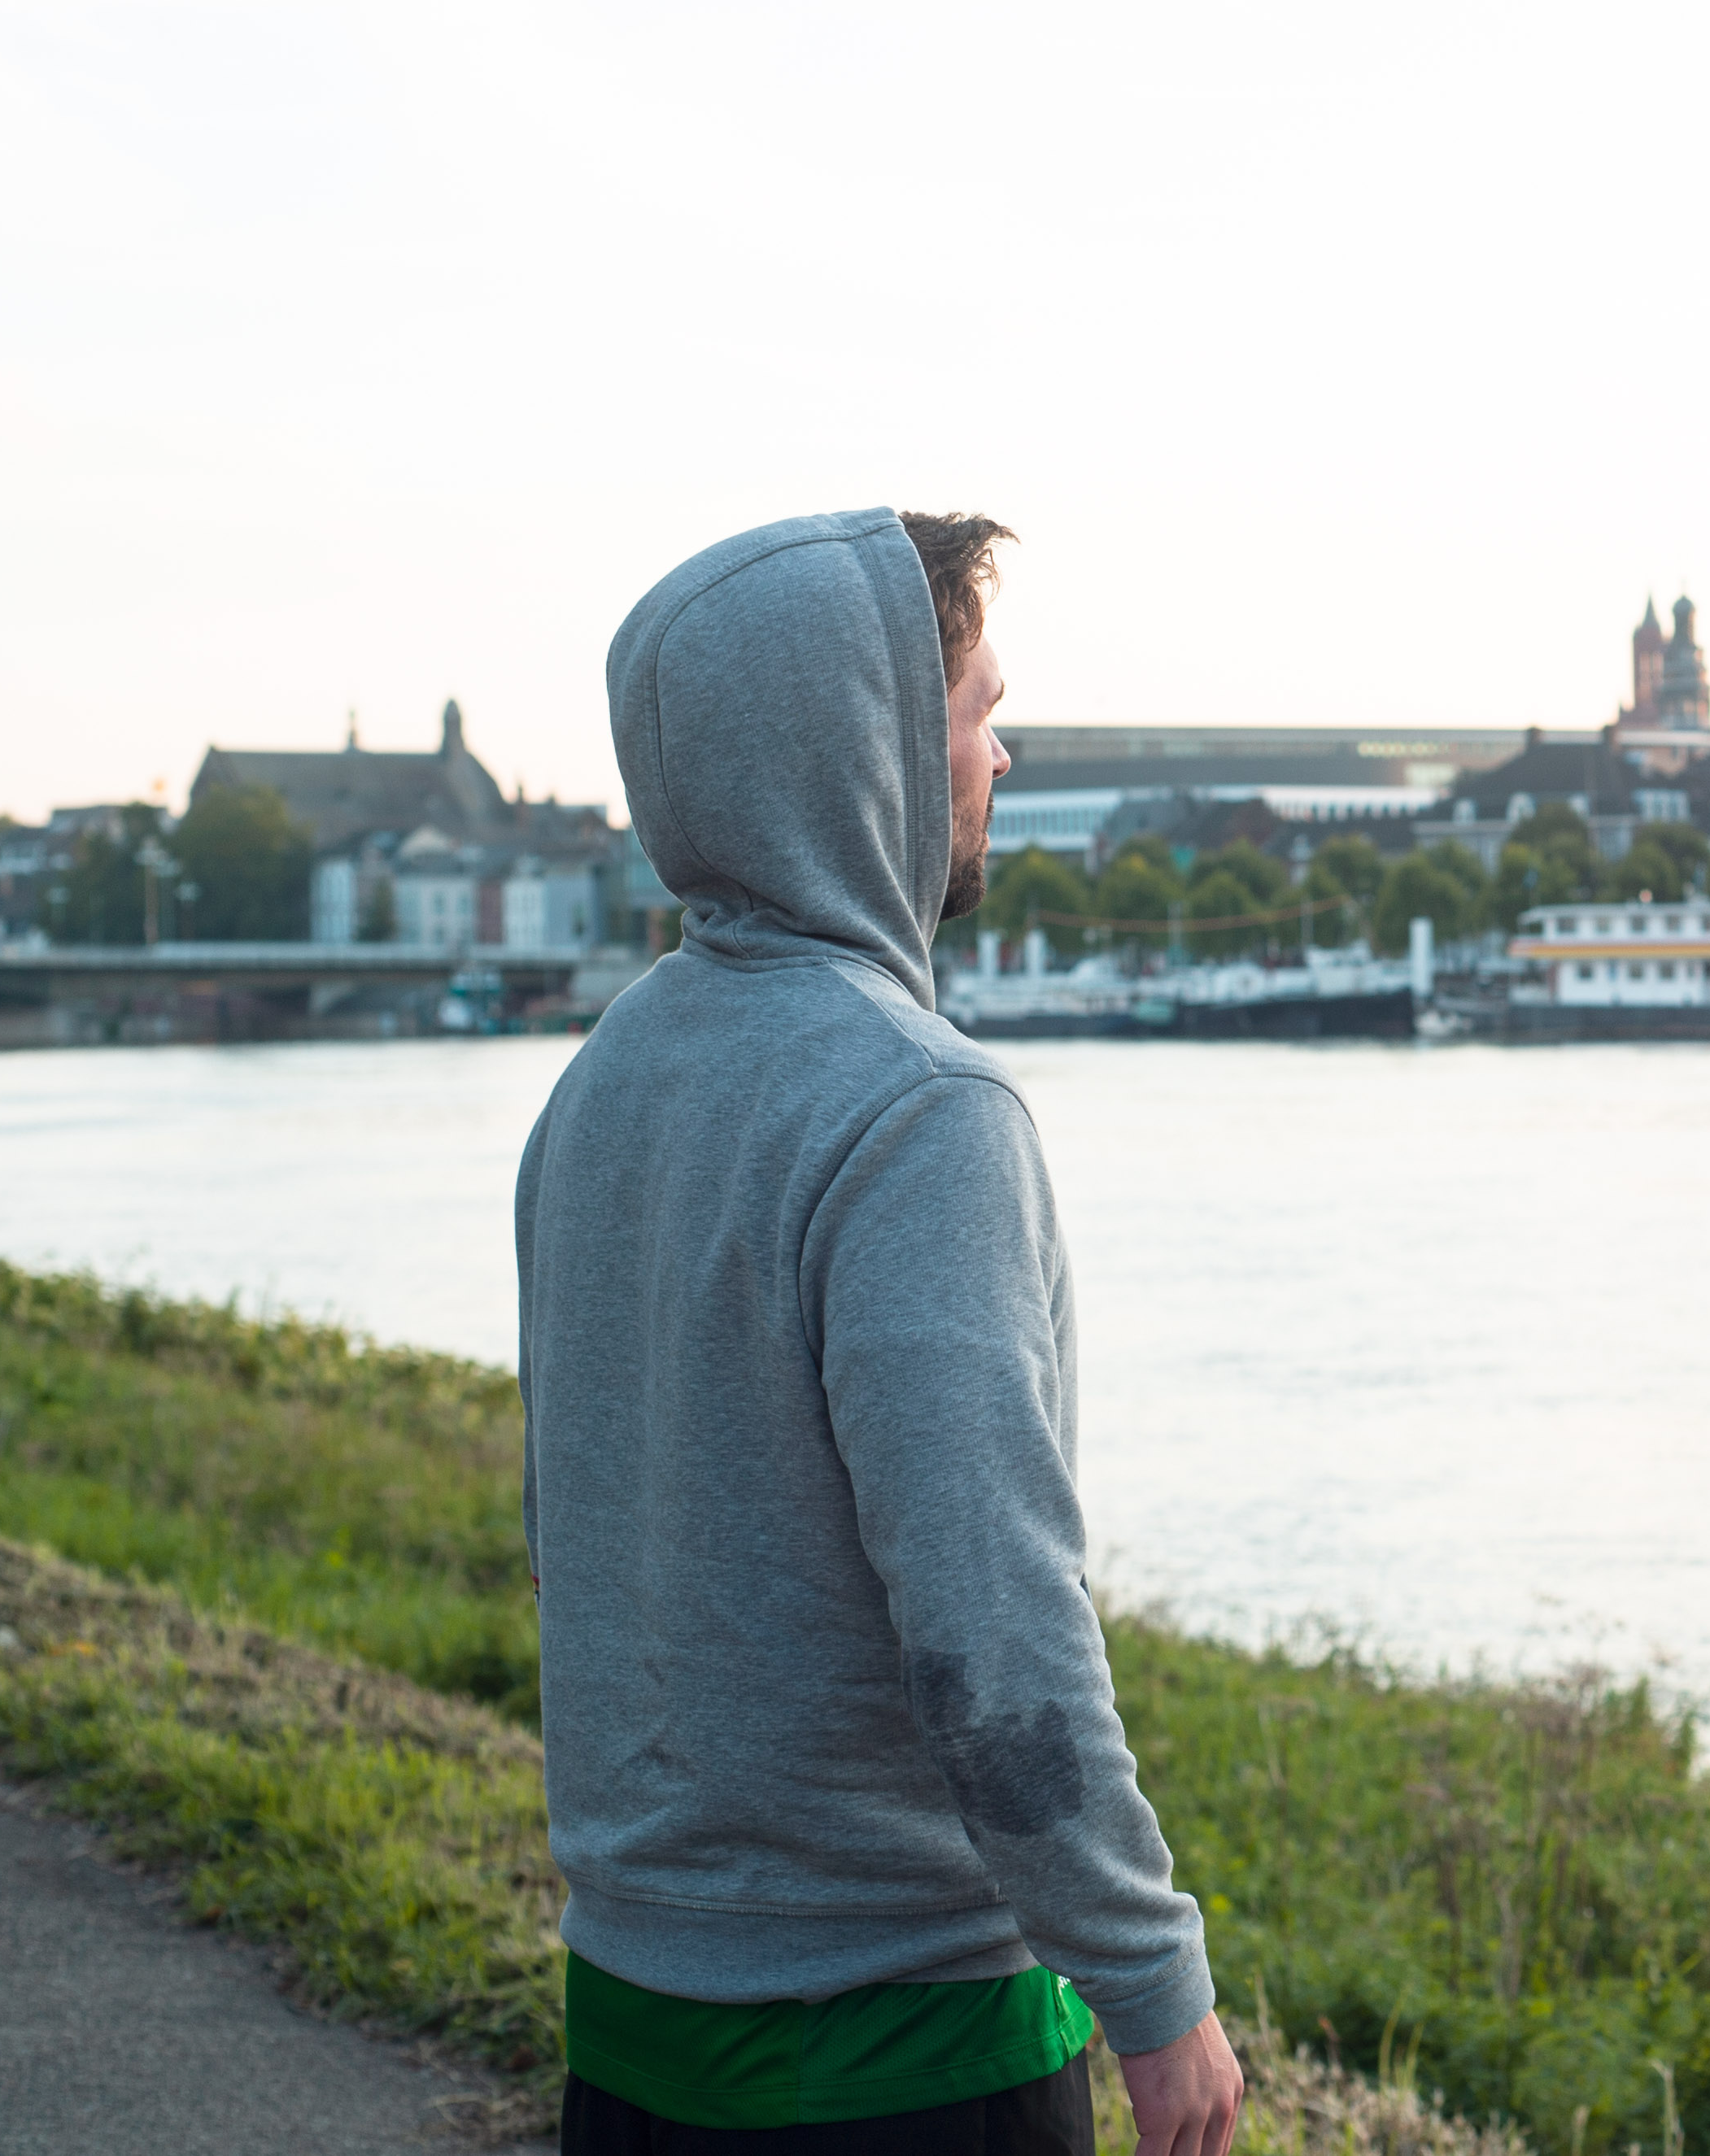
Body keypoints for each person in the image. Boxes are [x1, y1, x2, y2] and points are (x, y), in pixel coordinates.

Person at [517, 508, 1242, 2156]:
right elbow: (990, 1625)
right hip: (907, 2053)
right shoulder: (919, 1114)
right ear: (874, 754)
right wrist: (1151, 1982)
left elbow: (569, 1549)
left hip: (633, 2030)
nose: (1006, 754)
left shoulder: (596, 1093)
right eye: (983, 710)